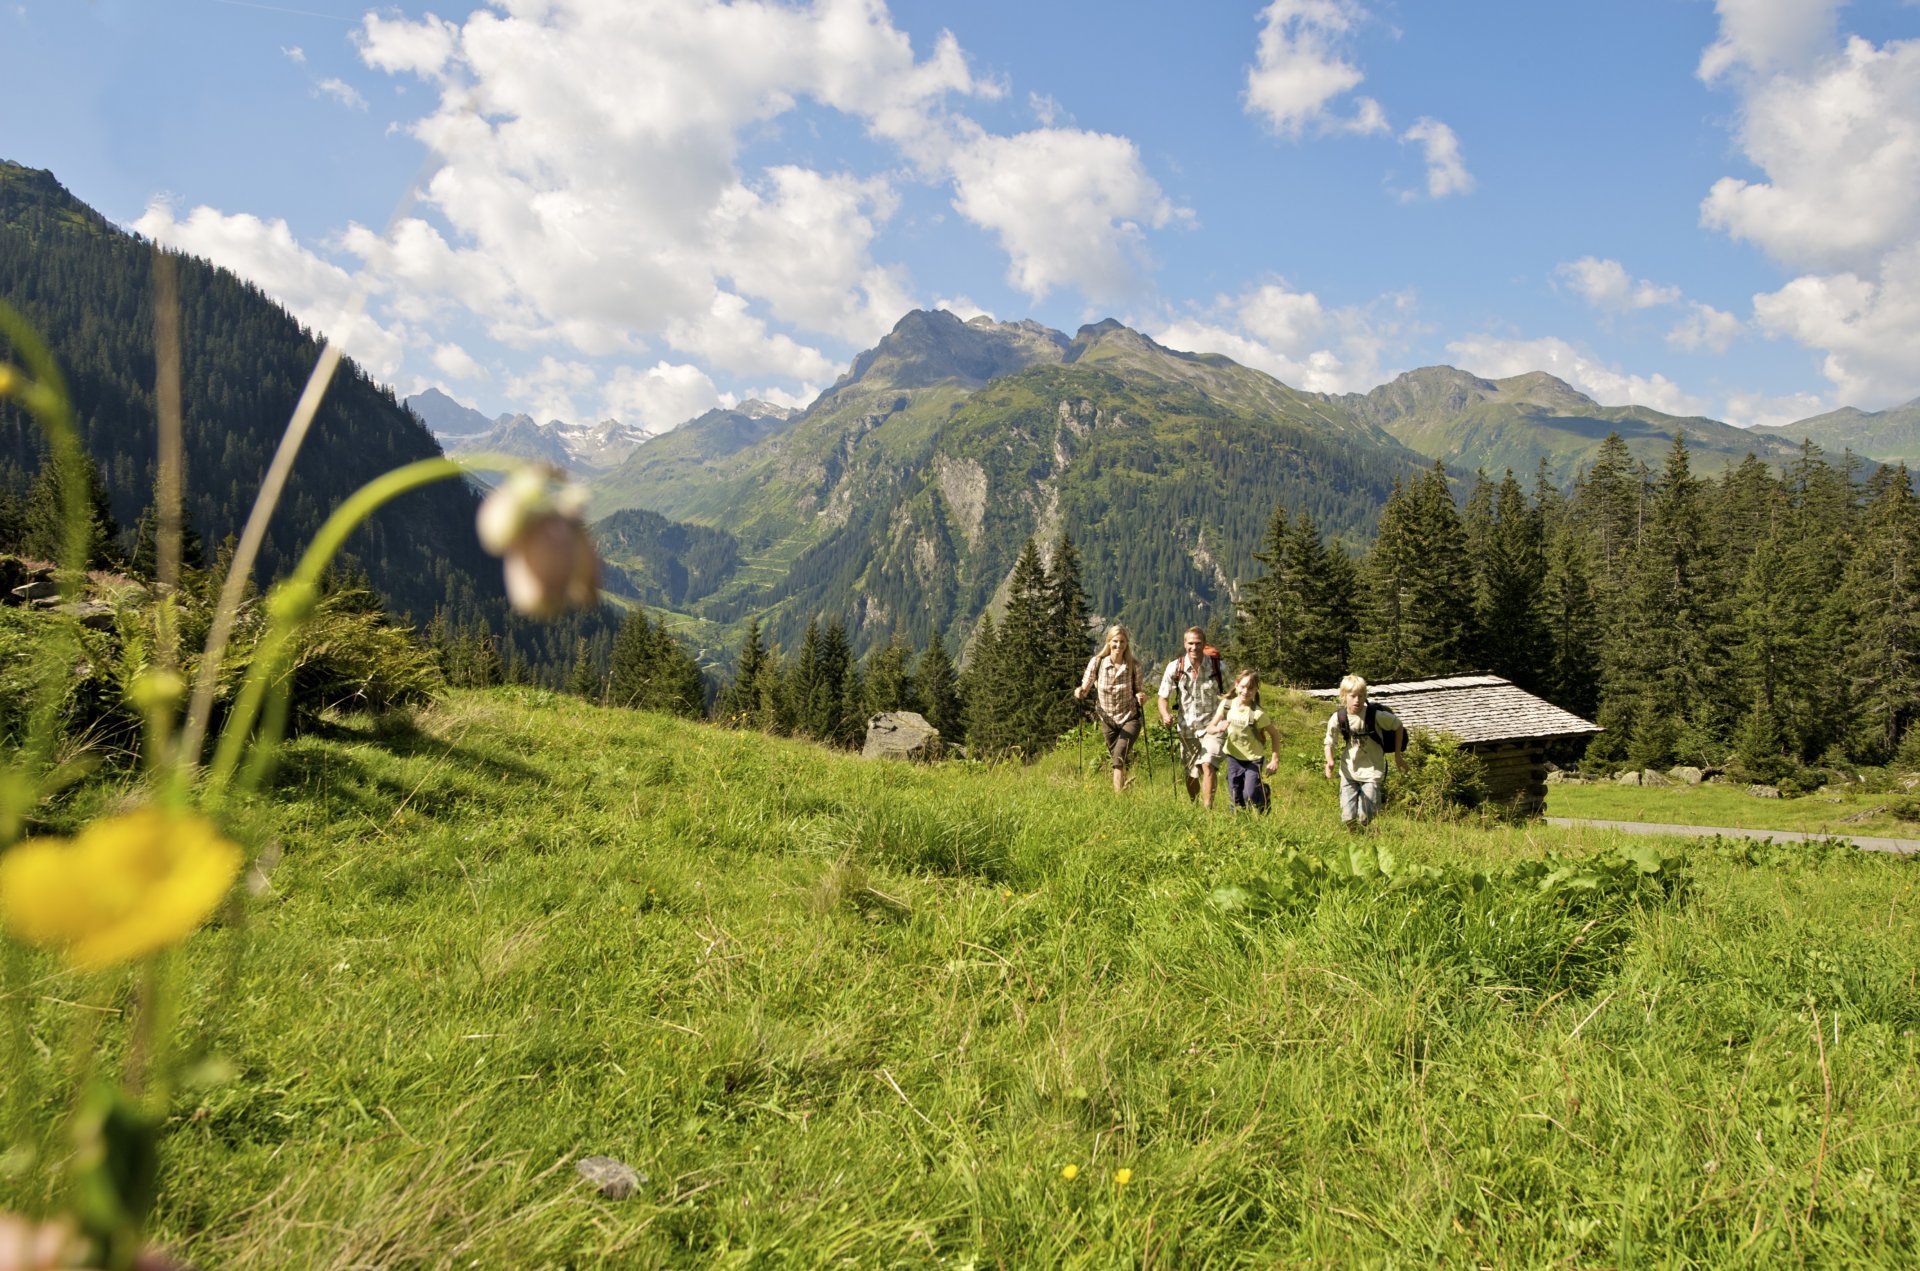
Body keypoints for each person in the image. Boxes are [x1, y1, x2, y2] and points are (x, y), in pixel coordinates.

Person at [1323, 674, 1406, 830]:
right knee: (1347, 817)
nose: (1357, 700)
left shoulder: (1375, 715)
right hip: (1348, 770)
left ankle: (1365, 831)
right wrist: (1330, 761)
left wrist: (1398, 755)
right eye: (1353, 696)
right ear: (1343, 696)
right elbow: (1329, 741)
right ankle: (1354, 838)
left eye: (1361, 696)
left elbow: (1398, 725)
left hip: (1372, 771)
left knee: (1365, 816)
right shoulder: (1338, 717)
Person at [1158, 627, 1225, 808]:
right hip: (1187, 728)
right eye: (1190, 643)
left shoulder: (1218, 667)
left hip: (1213, 727)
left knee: (1208, 764)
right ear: (1184, 644)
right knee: (1191, 773)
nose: (1194, 647)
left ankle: (1207, 810)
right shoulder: (1175, 668)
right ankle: (1194, 805)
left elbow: (1230, 694)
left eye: (1198, 643)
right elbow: (1163, 697)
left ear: (1204, 644)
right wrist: (1165, 715)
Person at [1075, 624, 1146, 792]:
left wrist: (1141, 696)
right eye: (1115, 641)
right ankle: (1127, 789)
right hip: (1107, 719)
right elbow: (1084, 687)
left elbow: (1138, 690)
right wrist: (1079, 692)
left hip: (1130, 718)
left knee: (1119, 755)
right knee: (1117, 758)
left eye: (1122, 642)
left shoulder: (1134, 666)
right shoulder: (1097, 663)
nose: (1118, 646)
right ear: (1108, 642)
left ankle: (1118, 797)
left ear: (1127, 644)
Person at [1205, 668, 1281, 812]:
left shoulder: (1258, 713)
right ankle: (1236, 823)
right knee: (1235, 795)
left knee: (1249, 795)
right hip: (1233, 757)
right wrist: (1218, 728)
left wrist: (1274, 760)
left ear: (1256, 690)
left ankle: (1263, 793)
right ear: (1236, 684)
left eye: (1250, 689)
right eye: (1243, 687)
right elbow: (1210, 727)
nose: (1246, 692)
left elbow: (1275, 735)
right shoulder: (1227, 705)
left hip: (1253, 759)